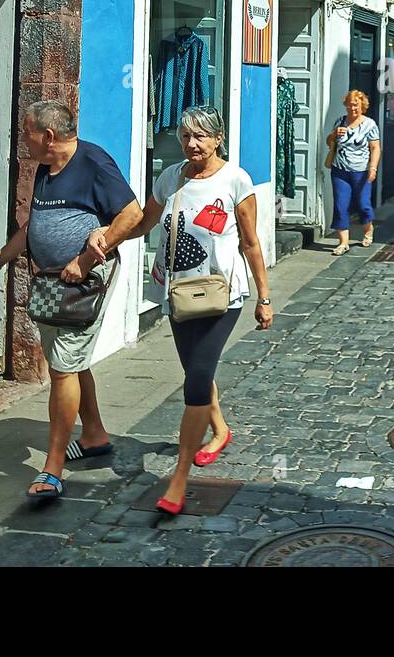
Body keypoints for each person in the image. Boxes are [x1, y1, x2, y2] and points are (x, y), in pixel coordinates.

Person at [0, 100, 143, 500]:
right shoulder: (46, 169)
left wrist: (84, 260)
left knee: (61, 368)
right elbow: (34, 226)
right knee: (71, 362)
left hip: (84, 282)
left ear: (48, 136)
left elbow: (131, 215)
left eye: (26, 131)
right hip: (50, 282)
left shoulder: (94, 163)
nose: (21, 138)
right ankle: (95, 435)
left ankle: (53, 468)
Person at [120, 106, 272, 514]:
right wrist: (103, 237)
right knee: (197, 374)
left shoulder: (235, 180)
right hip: (178, 292)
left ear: (218, 138)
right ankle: (220, 429)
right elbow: (144, 223)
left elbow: (250, 242)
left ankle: (178, 480)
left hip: (221, 295)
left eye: (201, 136)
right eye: (186, 136)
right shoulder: (171, 177)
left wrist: (265, 296)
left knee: (196, 381)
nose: (191, 144)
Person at [326, 90, 381, 253]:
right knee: (340, 206)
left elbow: (375, 147)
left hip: (361, 172)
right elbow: (329, 143)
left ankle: (368, 229)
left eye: (355, 105)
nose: (352, 108)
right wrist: (334, 135)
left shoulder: (369, 124)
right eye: (349, 105)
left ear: (362, 105)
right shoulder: (340, 122)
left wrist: (373, 167)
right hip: (340, 170)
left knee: (363, 205)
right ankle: (343, 242)